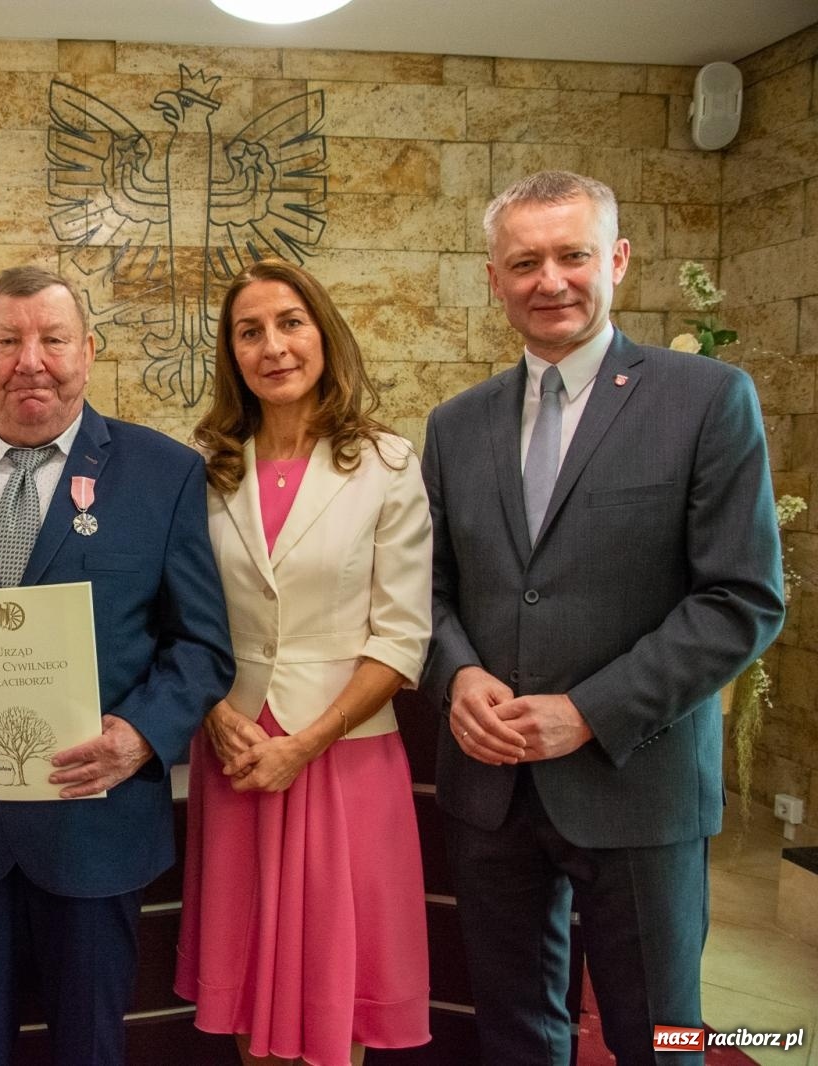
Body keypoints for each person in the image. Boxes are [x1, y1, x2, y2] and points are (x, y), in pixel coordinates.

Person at [421, 171, 785, 1065]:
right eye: (525, 261)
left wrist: (586, 711)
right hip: (491, 787)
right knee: (515, 1031)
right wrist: (458, 671)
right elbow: (424, 590)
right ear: (494, 278)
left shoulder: (706, 400)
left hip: (640, 783)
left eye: (572, 255)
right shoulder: (455, 425)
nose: (550, 280)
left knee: (661, 1036)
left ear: (616, 259)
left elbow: (741, 598)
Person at [0, 265, 234, 1066]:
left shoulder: (163, 474)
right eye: (7, 340)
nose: (29, 360)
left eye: (53, 338)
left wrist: (142, 736)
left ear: (89, 351)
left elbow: (204, 646)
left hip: (95, 822)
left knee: (89, 1049)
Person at [175, 259, 433, 1066]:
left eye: (290, 323)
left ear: (323, 333)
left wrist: (306, 741)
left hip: (339, 754)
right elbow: (182, 613)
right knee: (253, 986)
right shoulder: (208, 470)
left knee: (332, 992)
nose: (273, 346)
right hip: (239, 754)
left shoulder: (388, 465)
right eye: (249, 331)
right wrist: (218, 713)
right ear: (232, 353)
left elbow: (400, 635)